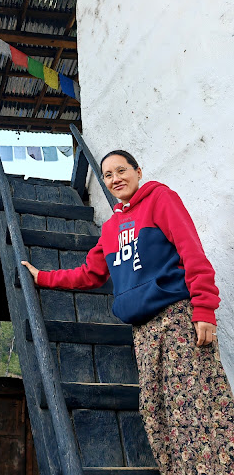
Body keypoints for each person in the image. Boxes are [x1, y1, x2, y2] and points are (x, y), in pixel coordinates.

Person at [22, 150, 234, 475]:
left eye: (121, 170)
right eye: (107, 175)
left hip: (177, 317)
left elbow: (191, 250)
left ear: (138, 171)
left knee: (194, 407)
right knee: (155, 411)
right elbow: (89, 273)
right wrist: (44, 277)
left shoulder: (160, 199)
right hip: (143, 332)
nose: (115, 178)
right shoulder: (110, 229)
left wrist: (204, 308)